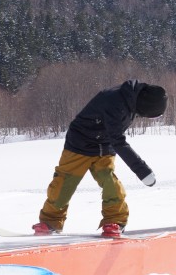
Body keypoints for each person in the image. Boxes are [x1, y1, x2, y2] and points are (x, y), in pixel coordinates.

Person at [33, 80, 167, 237]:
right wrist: (142, 171)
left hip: (104, 145)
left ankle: (115, 221)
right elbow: (118, 140)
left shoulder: (132, 99)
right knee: (64, 183)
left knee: (110, 183)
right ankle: (50, 222)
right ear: (145, 106)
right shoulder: (114, 102)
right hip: (79, 144)